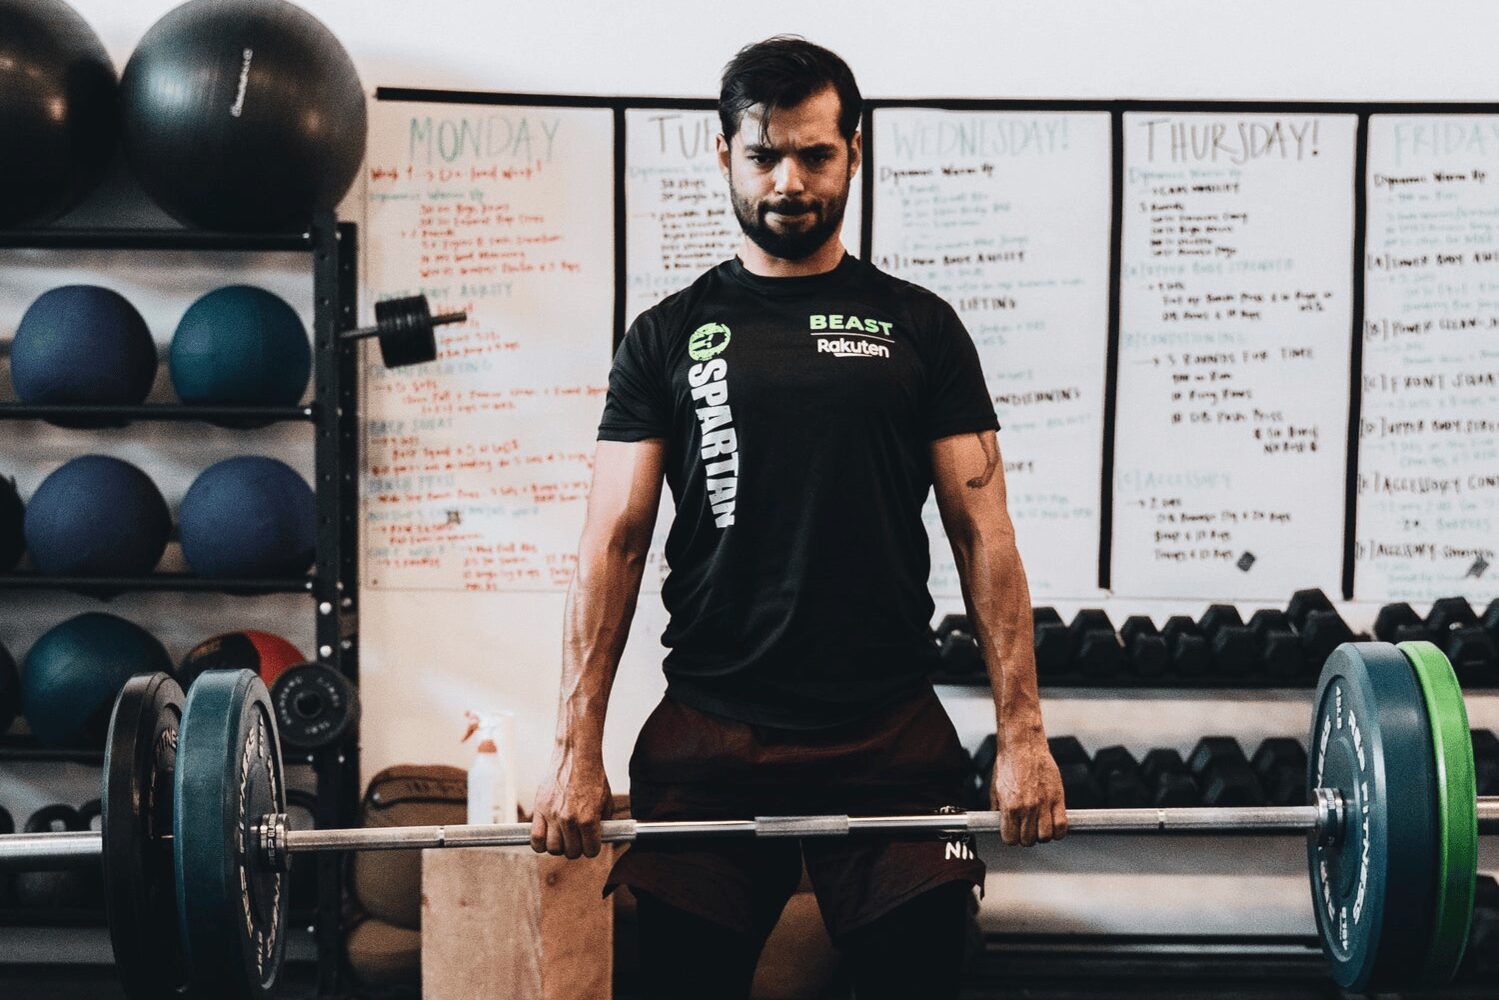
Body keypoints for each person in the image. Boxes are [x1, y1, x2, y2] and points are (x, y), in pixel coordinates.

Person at [531, 35, 1067, 1000]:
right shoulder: (664, 337)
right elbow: (611, 542)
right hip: (711, 731)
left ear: (853, 152)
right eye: (763, 154)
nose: (788, 180)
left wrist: (1022, 736)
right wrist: (578, 750)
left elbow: (984, 533)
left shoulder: (921, 327)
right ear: (723, 155)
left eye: (815, 155)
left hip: (888, 732)